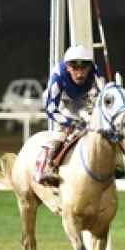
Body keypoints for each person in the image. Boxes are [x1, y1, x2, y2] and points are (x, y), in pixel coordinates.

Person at [39, 43, 104, 185]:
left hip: (83, 99)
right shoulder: (58, 76)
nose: (80, 74)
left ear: (89, 67)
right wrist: (71, 122)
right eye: (75, 69)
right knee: (66, 128)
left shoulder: (96, 72)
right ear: (68, 67)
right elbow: (51, 110)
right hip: (60, 102)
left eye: (84, 69)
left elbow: (104, 94)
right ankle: (49, 166)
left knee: (98, 125)